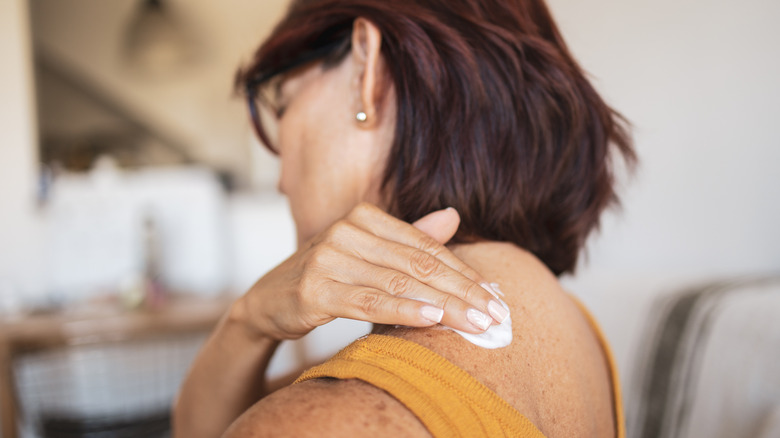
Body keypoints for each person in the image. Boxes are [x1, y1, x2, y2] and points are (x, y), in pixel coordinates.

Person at [173, 0, 635, 436]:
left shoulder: (318, 421)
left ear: (363, 69)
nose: (280, 180)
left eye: (282, 104)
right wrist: (249, 320)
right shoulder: (569, 325)